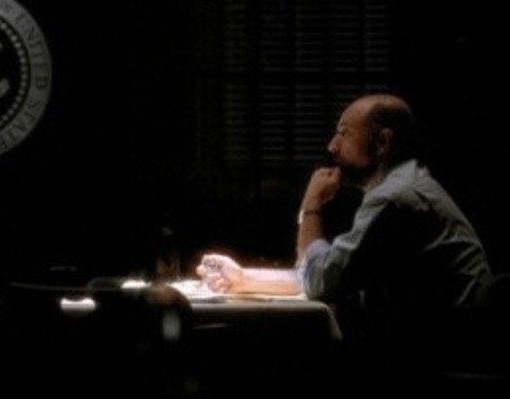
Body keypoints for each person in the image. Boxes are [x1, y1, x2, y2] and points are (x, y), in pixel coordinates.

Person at [196, 93, 493, 387]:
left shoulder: (394, 198)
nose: (332, 146)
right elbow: (332, 273)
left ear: (383, 142)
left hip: (437, 357)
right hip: (440, 343)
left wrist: (311, 205)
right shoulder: (407, 184)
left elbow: (322, 280)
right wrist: (243, 278)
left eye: (344, 133)